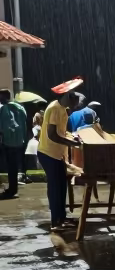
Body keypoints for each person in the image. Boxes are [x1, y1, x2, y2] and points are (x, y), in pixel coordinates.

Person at [37, 89, 79, 230]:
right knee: (55, 188)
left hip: (57, 154)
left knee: (61, 187)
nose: (75, 106)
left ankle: (62, 217)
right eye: (74, 102)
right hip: (49, 153)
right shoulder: (54, 108)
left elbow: (61, 132)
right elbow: (52, 135)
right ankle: (56, 222)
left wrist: (72, 137)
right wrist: (71, 143)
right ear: (68, 97)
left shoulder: (62, 109)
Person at [0, 89, 28, 199]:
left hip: (8, 142)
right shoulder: (20, 108)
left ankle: (12, 190)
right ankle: (13, 188)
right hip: (20, 141)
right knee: (15, 167)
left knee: (11, 167)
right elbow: (25, 123)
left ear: (4, 97)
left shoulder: (4, 109)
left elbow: (3, 127)